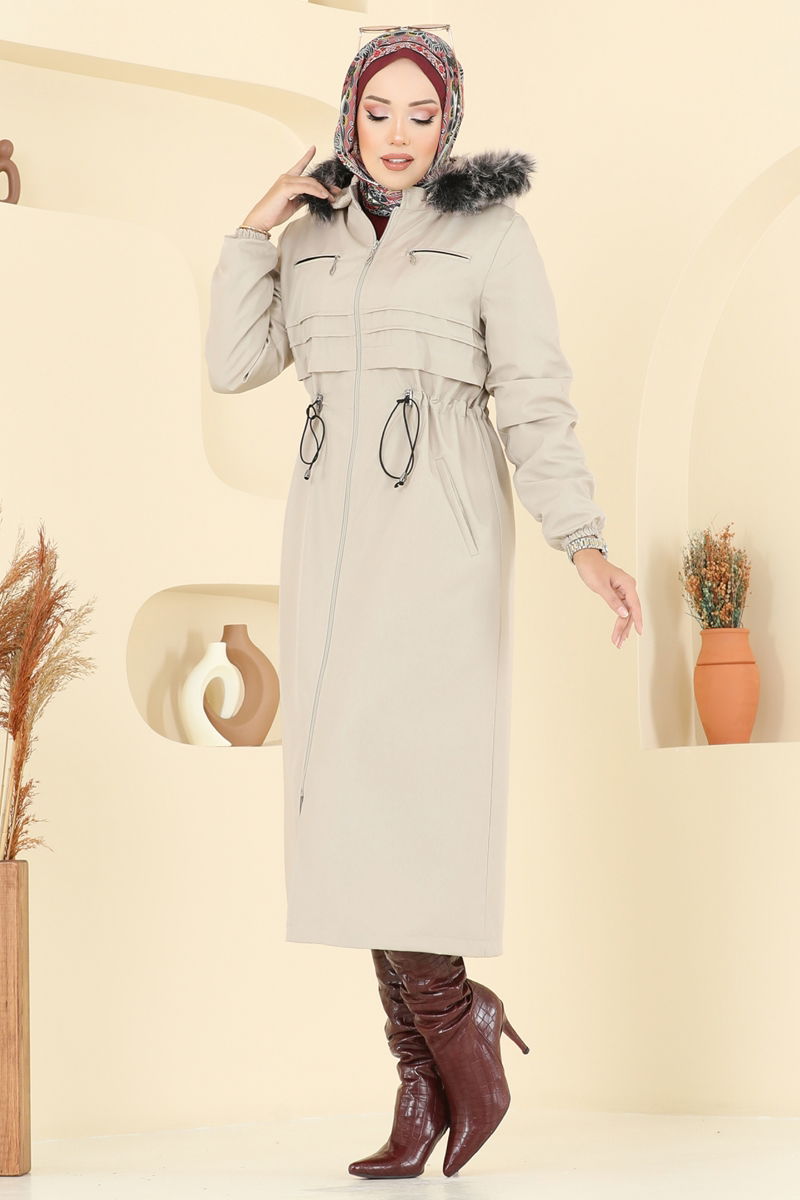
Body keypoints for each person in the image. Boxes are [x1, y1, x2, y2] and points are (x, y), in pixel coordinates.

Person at [205, 24, 643, 1181]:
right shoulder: (306, 237)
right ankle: (424, 1071)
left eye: (421, 114)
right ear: (347, 114)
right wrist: (253, 227)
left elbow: (533, 396)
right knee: (345, 799)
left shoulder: (491, 234)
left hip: (439, 531)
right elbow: (233, 363)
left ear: (449, 124)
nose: (397, 134)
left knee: (413, 793)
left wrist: (581, 541)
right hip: (326, 535)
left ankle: (452, 1036)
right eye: (377, 111)